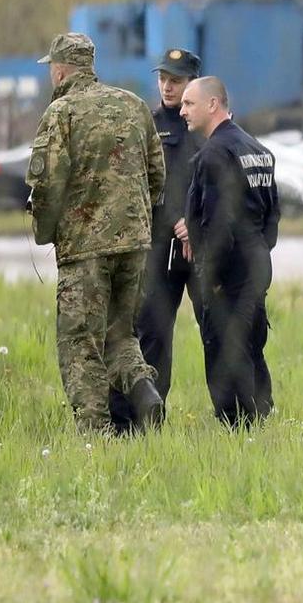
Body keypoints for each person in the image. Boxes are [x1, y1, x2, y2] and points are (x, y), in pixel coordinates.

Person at [26, 32, 166, 435]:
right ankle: (142, 389)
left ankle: (95, 432)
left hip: (84, 249)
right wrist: (136, 220)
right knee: (120, 333)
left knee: (79, 342)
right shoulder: (134, 105)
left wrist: (46, 232)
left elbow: (49, 184)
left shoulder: (61, 113)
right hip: (134, 243)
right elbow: (157, 174)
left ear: (59, 68)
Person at [108, 48, 205, 431]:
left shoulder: (206, 126)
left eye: (176, 80)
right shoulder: (148, 123)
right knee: (151, 334)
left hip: (200, 243)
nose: (167, 86)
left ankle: (233, 416)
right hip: (159, 244)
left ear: (193, 83)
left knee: (214, 327)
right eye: (163, 78)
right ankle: (146, 416)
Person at [175, 76, 280, 426]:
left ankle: (237, 429)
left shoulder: (214, 154)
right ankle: (261, 423)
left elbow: (219, 225)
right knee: (252, 348)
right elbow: (272, 218)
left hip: (227, 273)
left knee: (225, 354)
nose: (182, 110)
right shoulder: (258, 151)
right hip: (256, 265)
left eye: (189, 103)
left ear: (212, 105)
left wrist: (212, 275)